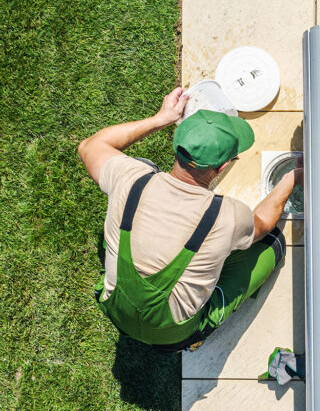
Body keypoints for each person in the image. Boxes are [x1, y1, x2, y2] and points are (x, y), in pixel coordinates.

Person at [77, 87, 301, 351]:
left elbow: (89, 146)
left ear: (176, 146)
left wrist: (161, 118)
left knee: (139, 165)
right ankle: (194, 338)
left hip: (115, 306)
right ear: (223, 167)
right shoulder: (227, 215)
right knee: (270, 244)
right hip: (172, 334)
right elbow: (263, 223)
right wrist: (291, 180)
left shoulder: (130, 178)